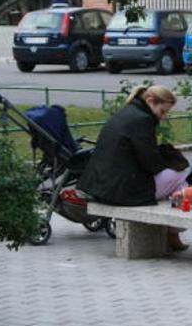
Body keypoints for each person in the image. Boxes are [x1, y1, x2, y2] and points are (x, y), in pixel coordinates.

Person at [77, 85, 183, 248]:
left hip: (101, 186)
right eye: (163, 111)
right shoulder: (143, 120)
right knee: (181, 176)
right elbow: (151, 164)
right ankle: (173, 234)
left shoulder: (125, 113)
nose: (163, 117)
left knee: (173, 180)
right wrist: (170, 161)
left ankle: (171, 233)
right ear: (150, 101)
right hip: (122, 191)